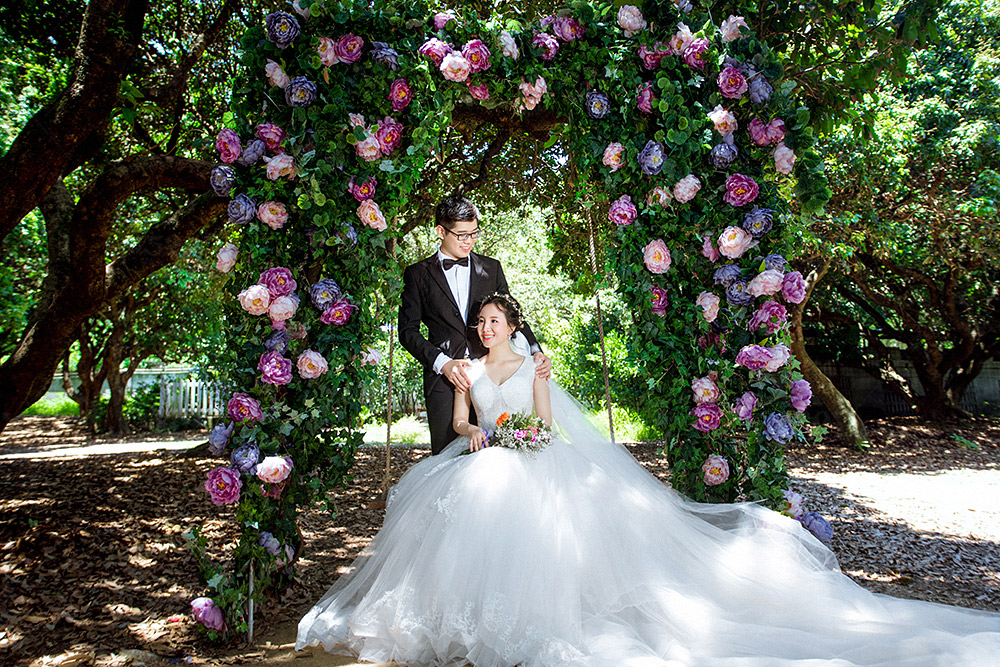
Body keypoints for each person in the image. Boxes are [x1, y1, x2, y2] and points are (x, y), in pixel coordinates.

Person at [299, 295, 1000, 665]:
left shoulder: (535, 367)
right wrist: (476, 427)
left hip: (533, 464)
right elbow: (458, 424)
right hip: (484, 464)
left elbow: (545, 424)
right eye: (480, 321)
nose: (486, 328)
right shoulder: (469, 370)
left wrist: (521, 430)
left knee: (538, 530)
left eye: (494, 319)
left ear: (512, 323)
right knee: (457, 511)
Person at [398, 194, 550, 455]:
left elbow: (513, 314)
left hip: (491, 376)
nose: (469, 241)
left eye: (474, 233)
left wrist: (536, 351)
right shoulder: (417, 274)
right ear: (440, 231)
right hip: (445, 382)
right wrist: (443, 363)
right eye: (461, 235)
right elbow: (407, 332)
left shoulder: (491, 268)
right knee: (448, 461)